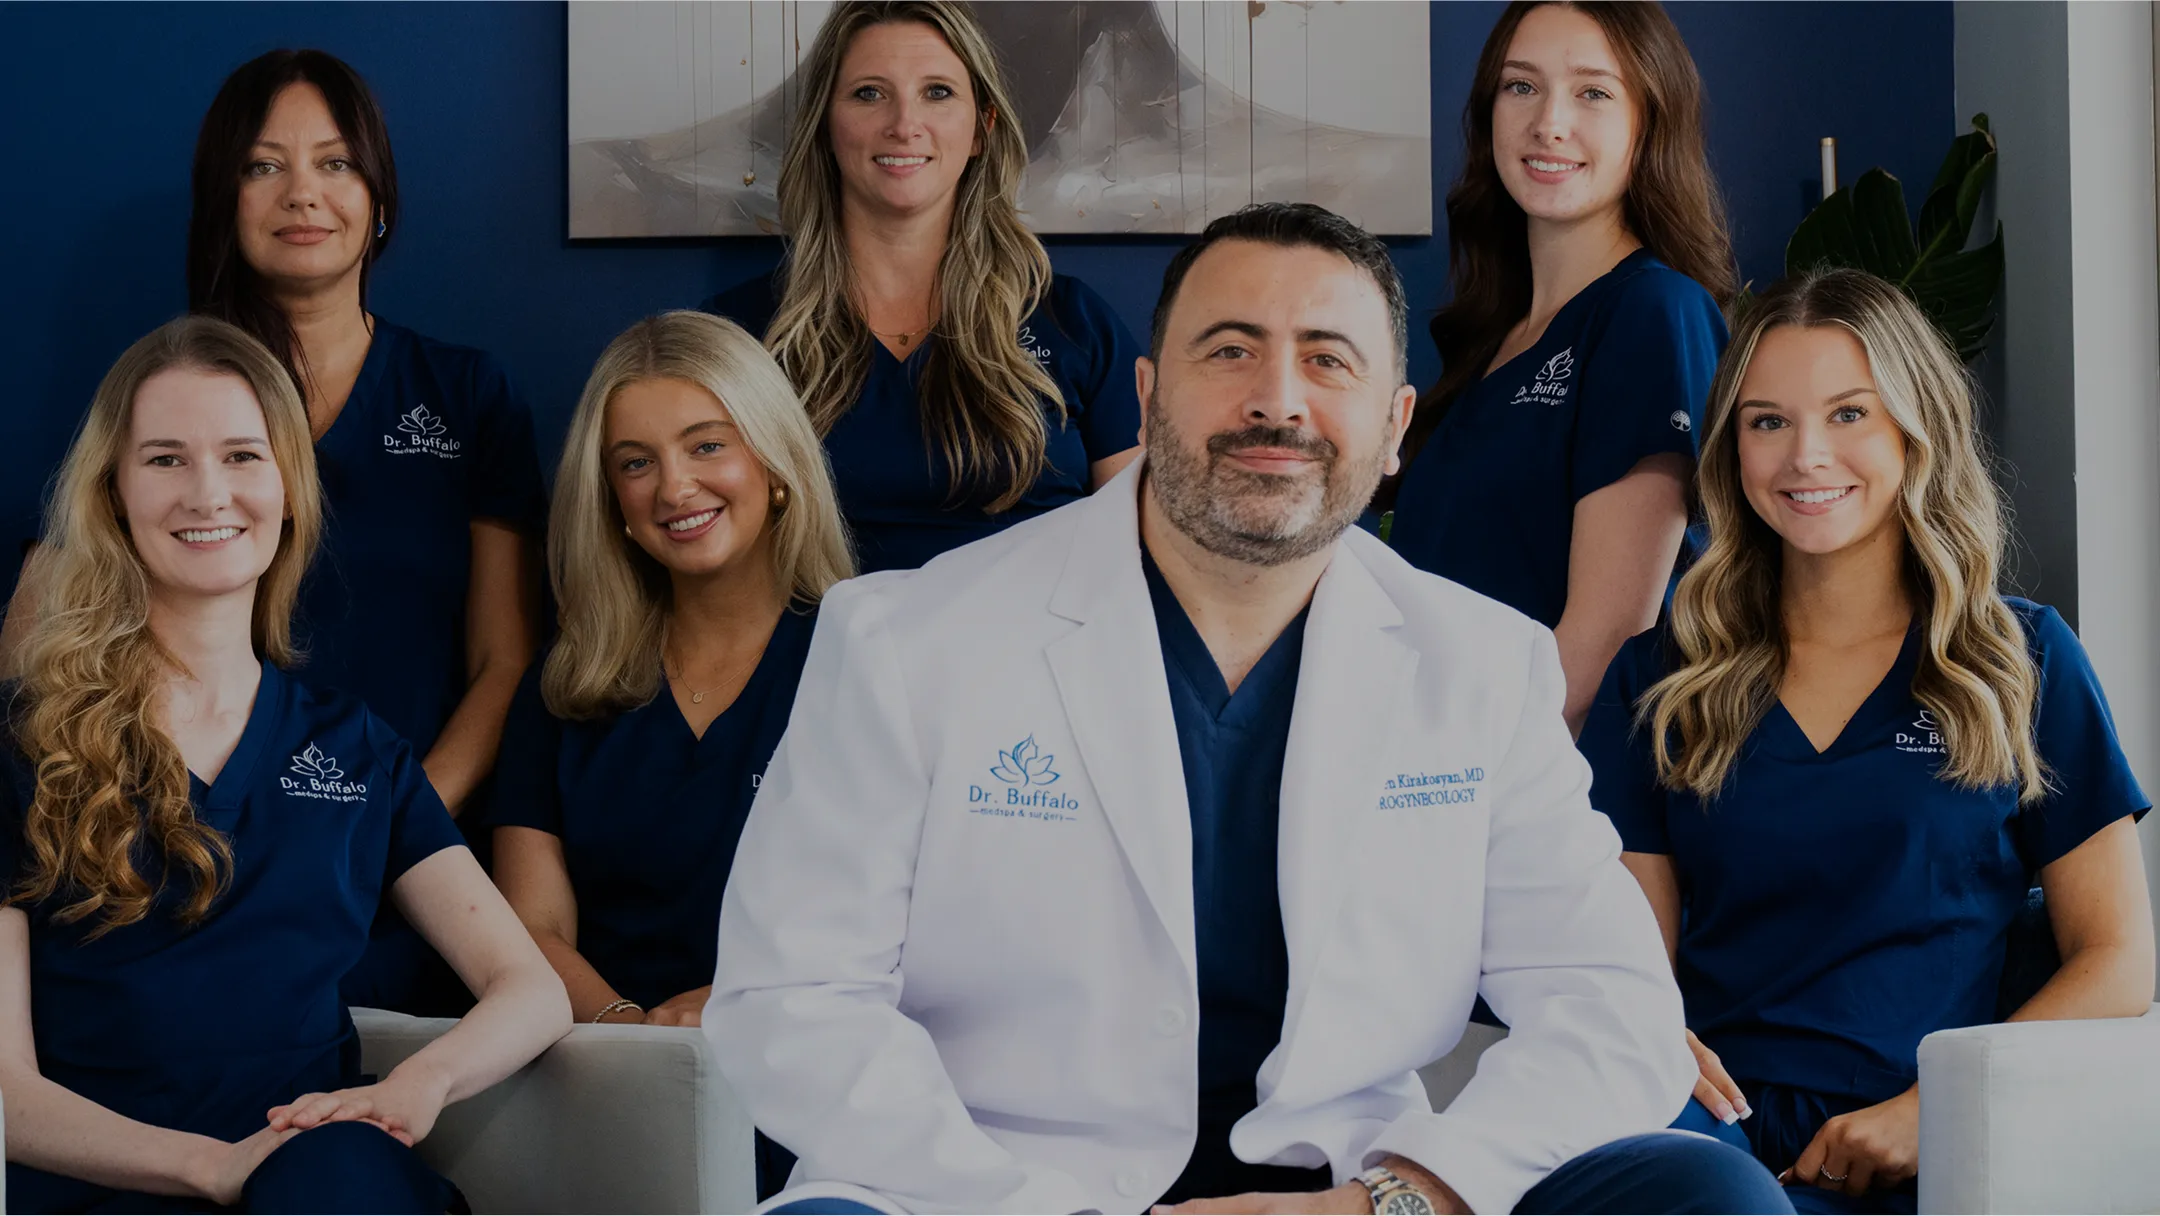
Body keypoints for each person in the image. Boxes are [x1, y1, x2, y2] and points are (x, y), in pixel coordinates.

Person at [706, 203, 1789, 1216]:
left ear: (1396, 421)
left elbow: (1613, 1004)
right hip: (995, 1186)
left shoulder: (1482, 665)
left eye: (1328, 360)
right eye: (1228, 351)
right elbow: (791, 997)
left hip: (1344, 1187)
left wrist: (1392, 1199)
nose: (1278, 398)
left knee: (1704, 1194)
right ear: (1144, 396)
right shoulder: (908, 639)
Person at [1578, 269, 2155, 1214]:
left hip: (1940, 1149)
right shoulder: (1661, 675)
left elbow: (2119, 957)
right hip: (1706, 1145)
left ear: (1913, 430)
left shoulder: (2023, 660)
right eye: (1767, 422)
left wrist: (1933, 1112)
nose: (1807, 456)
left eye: (1850, 414)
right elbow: (1637, 966)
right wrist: (1647, 1045)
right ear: (1731, 449)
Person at [0, 317, 570, 1214]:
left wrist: (417, 1085)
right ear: (111, 494)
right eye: (164, 460)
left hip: (318, 1175)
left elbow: (530, 990)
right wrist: (208, 1167)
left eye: (241, 455)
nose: (207, 492)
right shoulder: (22, 744)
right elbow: (6, 1092)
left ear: (289, 488)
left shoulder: (357, 747)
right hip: (97, 1183)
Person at [183, 48, 547, 1012]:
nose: (303, 192)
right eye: (264, 166)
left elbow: (504, 662)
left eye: (336, 162)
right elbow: (68, 636)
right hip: (209, 865)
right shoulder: (167, 398)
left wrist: (389, 822)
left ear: (378, 198)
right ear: (225, 198)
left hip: (407, 869)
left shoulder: (466, 396)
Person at [488, 311, 852, 1197]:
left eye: (707, 446)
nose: (674, 487)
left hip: (820, 1084)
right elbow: (532, 930)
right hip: (606, 1082)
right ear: (610, 500)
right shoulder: (564, 687)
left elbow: (920, 919)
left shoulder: (868, 659)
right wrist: (633, 1039)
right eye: (635, 463)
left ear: (774, 466)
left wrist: (734, 1008)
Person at [1385, 1, 1734, 730]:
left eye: (1593, 93)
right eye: (1521, 86)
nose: (1549, 123)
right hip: (1434, 758)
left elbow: (1603, 642)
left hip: (1542, 790)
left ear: (1649, 122)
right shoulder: (1494, 335)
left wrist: (1465, 789)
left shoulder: (1652, 311)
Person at [702, 0, 1143, 574]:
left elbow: (1145, 552)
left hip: (1031, 658)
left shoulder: (1075, 323)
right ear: (825, 125)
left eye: (937, 92)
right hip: (819, 659)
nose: (904, 124)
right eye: (868, 93)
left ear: (982, 129)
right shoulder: (739, 336)